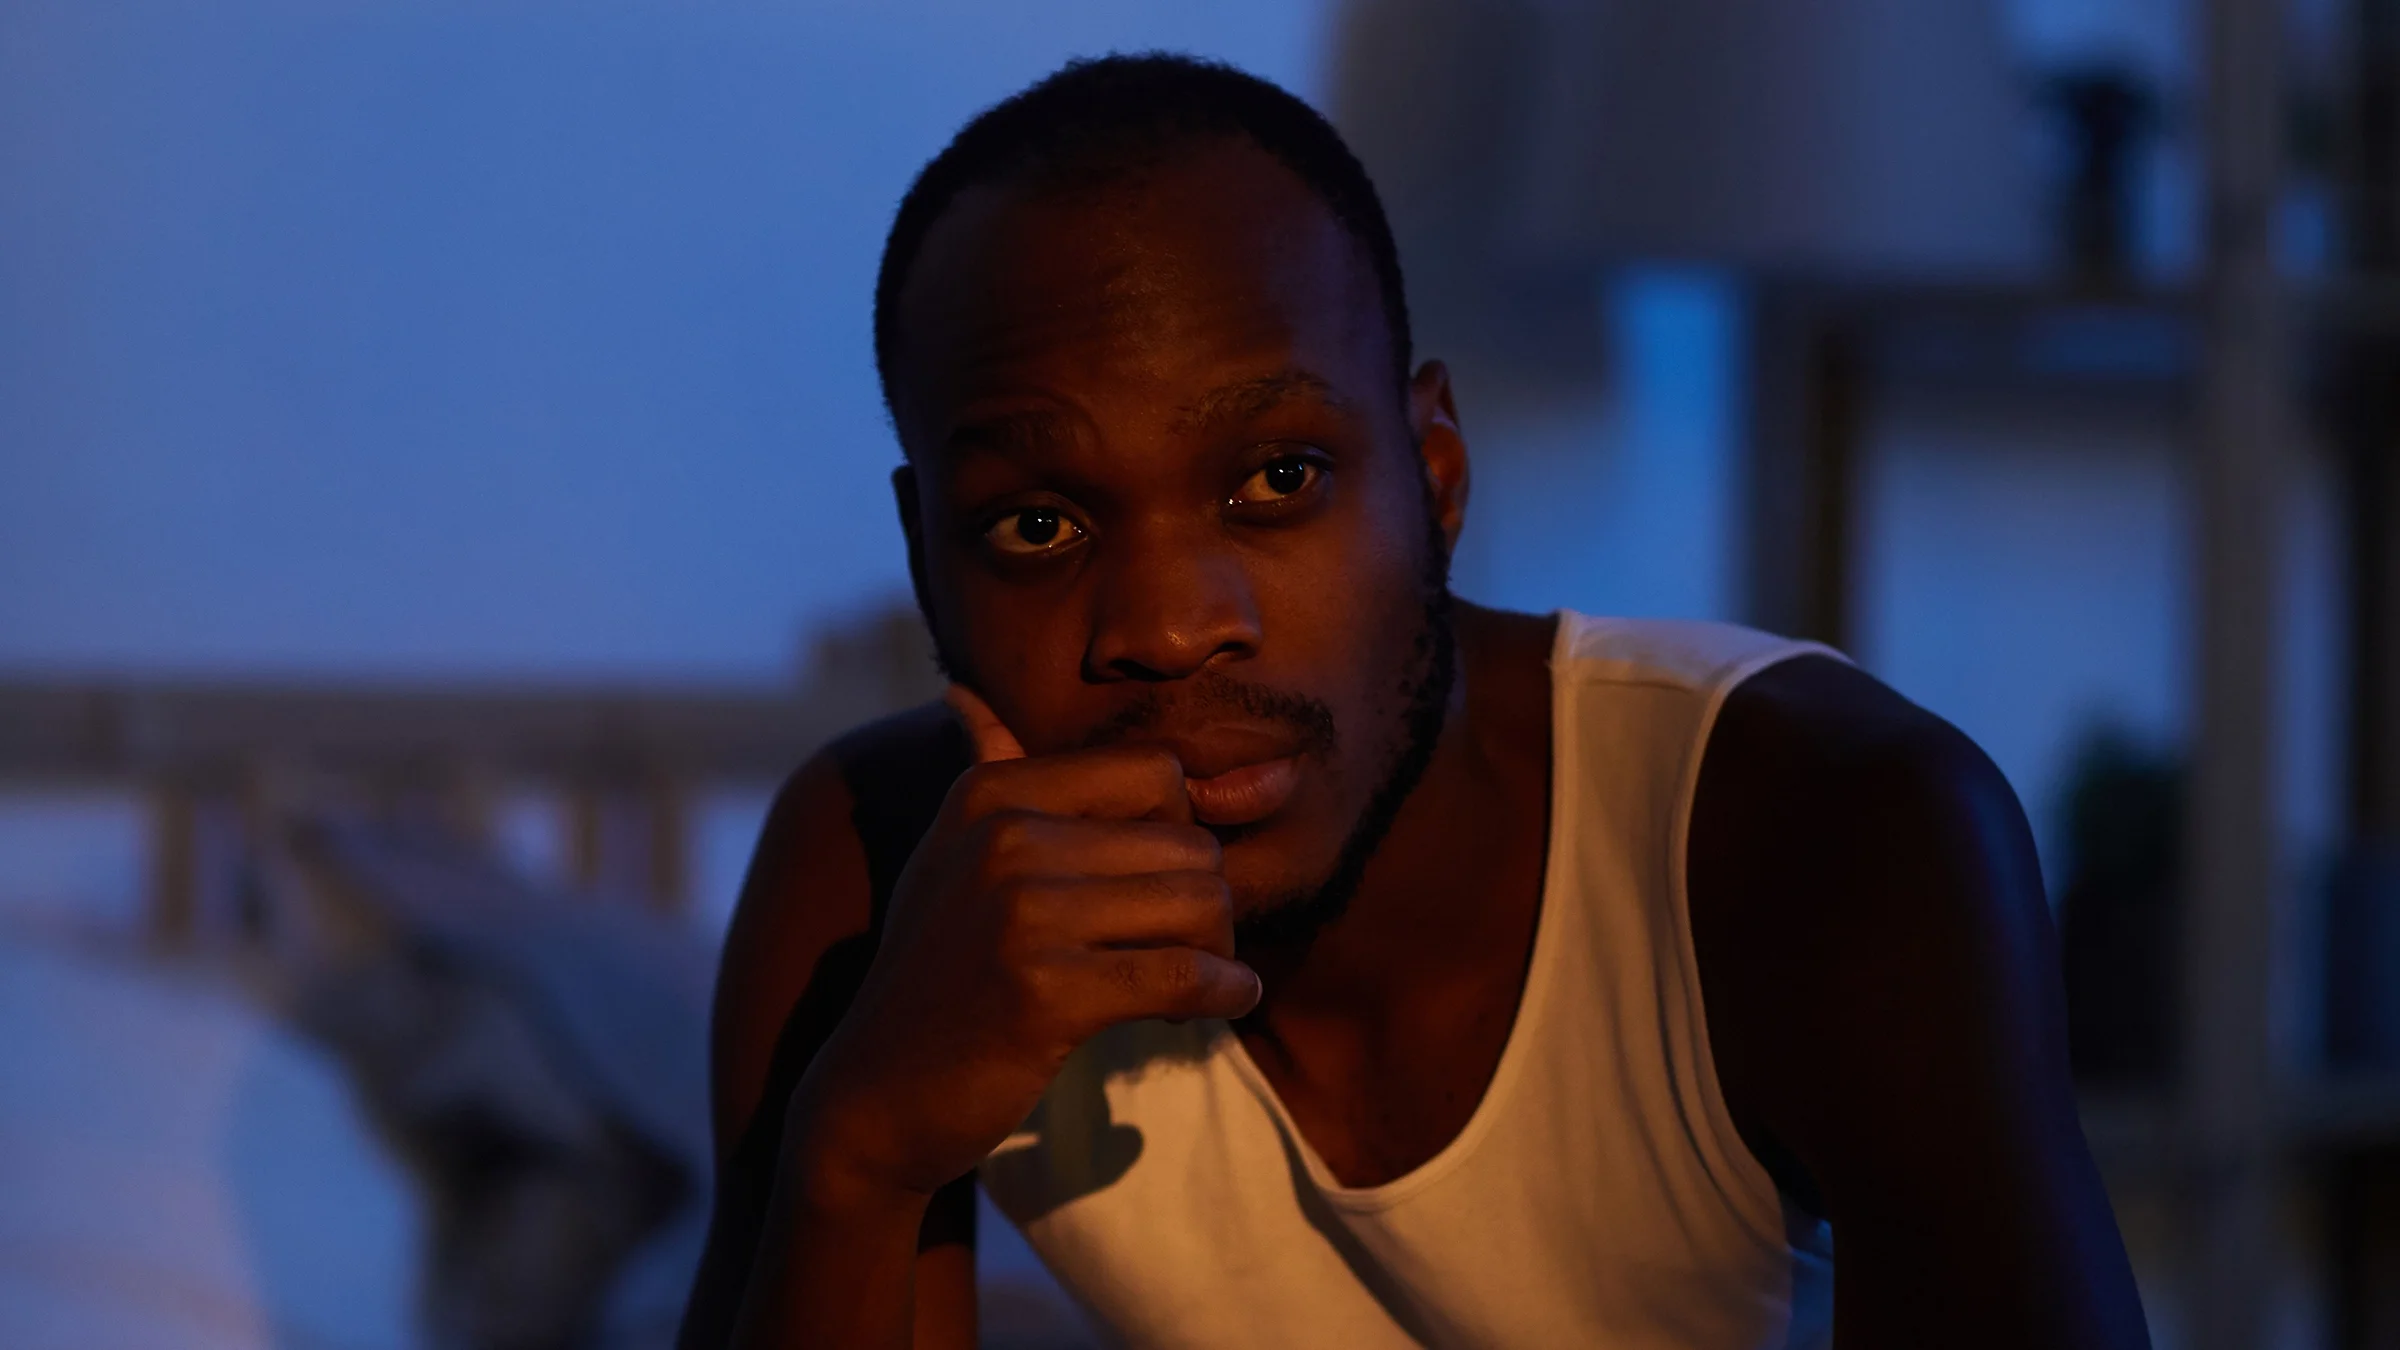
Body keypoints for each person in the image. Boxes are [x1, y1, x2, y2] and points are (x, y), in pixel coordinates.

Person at [677, 53, 2151, 1350]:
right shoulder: (880, 876)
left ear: (1434, 474)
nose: (1172, 625)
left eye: (1277, 481)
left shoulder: (1824, 832)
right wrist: (862, 1145)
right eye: (1040, 528)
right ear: (925, 553)